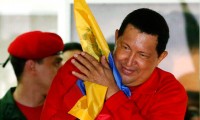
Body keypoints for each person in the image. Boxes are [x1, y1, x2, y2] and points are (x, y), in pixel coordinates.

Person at [41, 8, 188, 120]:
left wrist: (112, 92)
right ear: (117, 37)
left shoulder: (170, 91)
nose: (129, 62)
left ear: (161, 57)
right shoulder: (81, 67)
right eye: (125, 48)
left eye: (142, 55)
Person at [0, 31, 64, 120]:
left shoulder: (72, 113)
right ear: (31, 66)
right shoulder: (2, 114)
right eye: (56, 63)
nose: (63, 70)